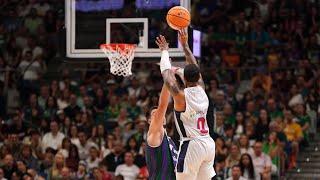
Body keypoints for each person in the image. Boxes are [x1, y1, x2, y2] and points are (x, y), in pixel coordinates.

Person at [156, 29, 215, 179]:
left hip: (192, 146)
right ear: (197, 77)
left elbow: (167, 78)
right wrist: (185, 45)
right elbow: (193, 65)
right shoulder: (202, 89)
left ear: (185, 79)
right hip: (208, 144)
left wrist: (164, 52)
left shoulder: (182, 97)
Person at [145, 84, 177, 179]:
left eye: (161, 114)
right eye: (155, 114)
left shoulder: (170, 140)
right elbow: (162, 105)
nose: (159, 115)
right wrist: (167, 79)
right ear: (149, 121)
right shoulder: (154, 135)